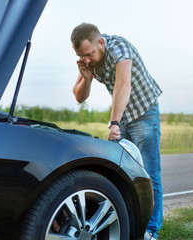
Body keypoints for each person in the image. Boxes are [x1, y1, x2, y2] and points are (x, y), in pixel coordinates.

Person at [70, 23, 163, 240]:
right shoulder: (89, 58)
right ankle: (128, 223)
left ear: (100, 43)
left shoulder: (119, 48)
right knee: (123, 174)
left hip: (144, 113)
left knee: (149, 173)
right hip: (123, 117)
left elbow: (123, 85)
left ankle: (151, 232)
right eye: (81, 56)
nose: (86, 59)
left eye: (89, 54)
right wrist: (87, 77)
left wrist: (114, 123)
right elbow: (79, 97)